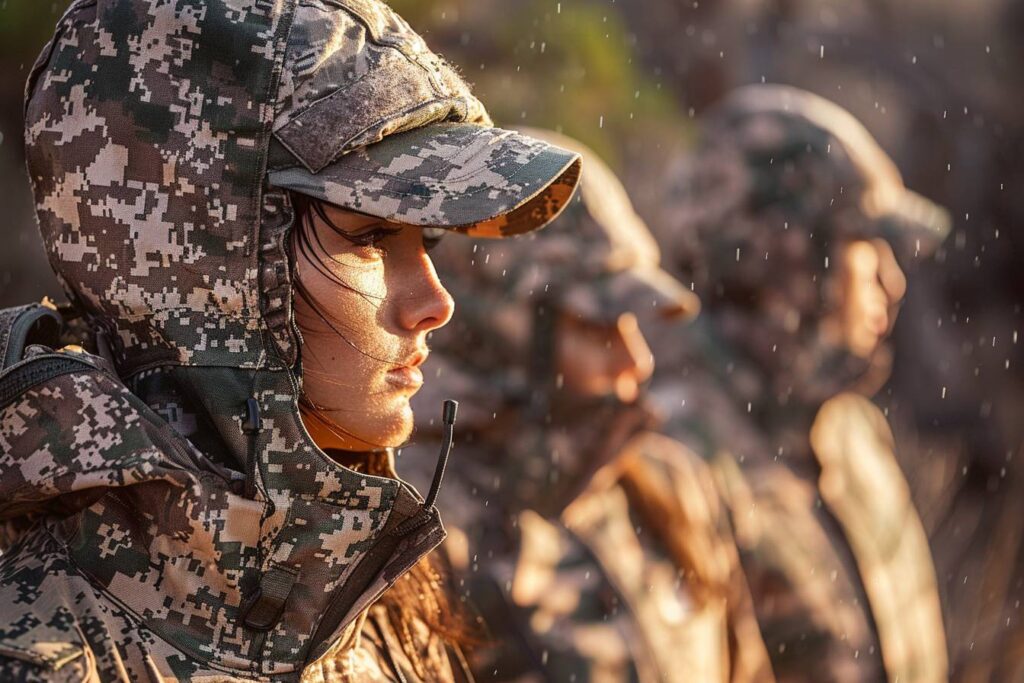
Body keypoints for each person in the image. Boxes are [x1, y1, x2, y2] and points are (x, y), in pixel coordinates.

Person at [0, 1, 581, 680]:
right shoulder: (40, 658)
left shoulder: (364, 604)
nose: (435, 303)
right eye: (368, 238)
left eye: (424, 240)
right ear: (212, 274)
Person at [401, 129, 774, 682]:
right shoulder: (416, 538)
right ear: (501, 334)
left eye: (632, 322)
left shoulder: (671, 484)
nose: (637, 360)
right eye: (599, 325)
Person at [649, 84, 950, 682]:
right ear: (779, 254)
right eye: (865, 246)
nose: (892, 282)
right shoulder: (672, 455)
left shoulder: (853, 430)